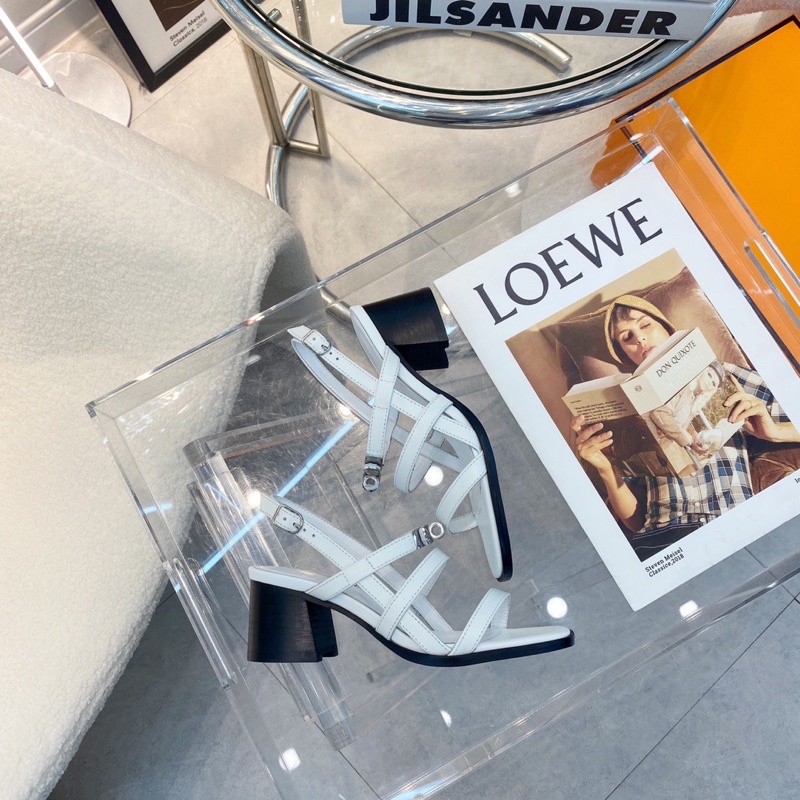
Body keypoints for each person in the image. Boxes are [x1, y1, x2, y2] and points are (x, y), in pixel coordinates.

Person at [572, 295, 800, 556]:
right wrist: (604, 467)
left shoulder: (721, 373)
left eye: (645, 325)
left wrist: (774, 433)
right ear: (623, 353)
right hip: (663, 537)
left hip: (732, 519)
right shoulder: (628, 411)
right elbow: (635, 523)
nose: (639, 339)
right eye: (627, 337)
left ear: (667, 328)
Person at [647, 361, 728, 458]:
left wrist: (694, 438)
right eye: (709, 375)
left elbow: (679, 421)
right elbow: (659, 413)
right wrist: (688, 441)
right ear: (702, 371)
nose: (709, 382)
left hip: (656, 443)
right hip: (646, 430)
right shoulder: (684, 386)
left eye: (713, 383)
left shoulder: (695, 400)